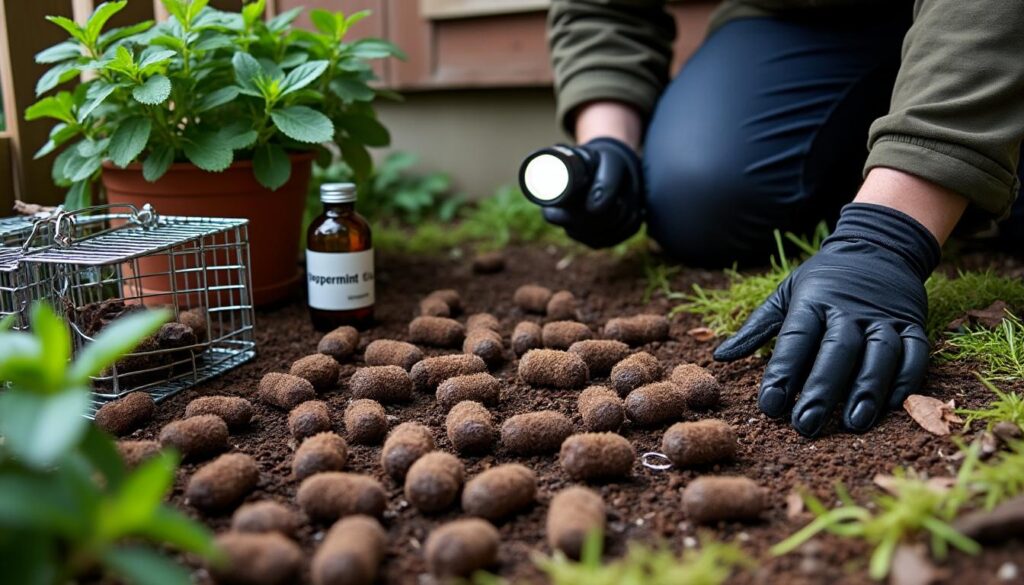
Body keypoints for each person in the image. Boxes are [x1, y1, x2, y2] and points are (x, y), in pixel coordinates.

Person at [531, 0, 1024, 437]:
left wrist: (887, 234)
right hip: (802, 19)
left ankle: (957, 167)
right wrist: (606, 138)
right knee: (697, 200)